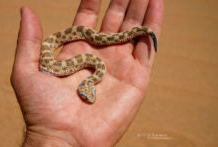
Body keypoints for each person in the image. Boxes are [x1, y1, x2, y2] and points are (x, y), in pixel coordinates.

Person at [11, 0, 164, 146]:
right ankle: (142, 31)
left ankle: (144, 30)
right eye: (87, 96)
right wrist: (51, 135)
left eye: (87, 95)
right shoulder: (94, 73)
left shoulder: (97, 71)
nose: (89, 100)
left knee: (108, 36)